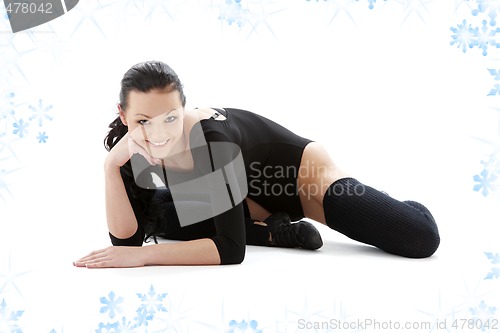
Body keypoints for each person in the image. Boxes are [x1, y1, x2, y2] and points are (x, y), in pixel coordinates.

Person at [74, 61, 440, 268]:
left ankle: (386, 202)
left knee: (418, 237)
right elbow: (127, 238)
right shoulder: (133, 148)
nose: (158, 134)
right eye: (142, 121)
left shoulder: (211, 142)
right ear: (123, 115)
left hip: (297, 181)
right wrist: (110, 166)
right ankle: (273, 232)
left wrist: (145, 259)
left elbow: (231, 251)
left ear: (183, 107)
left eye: (169, 117)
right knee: (162, 217)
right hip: (242, 196)